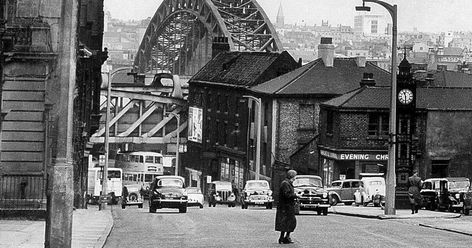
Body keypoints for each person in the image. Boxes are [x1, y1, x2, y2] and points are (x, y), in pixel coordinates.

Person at [275, 169, 298, 244]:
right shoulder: (285, 184)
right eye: (295, 176)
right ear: (292, 176)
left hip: (288, 206)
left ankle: (285, 237)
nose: (295, 178)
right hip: (285, 207)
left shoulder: (288, 183)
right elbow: (287, 195)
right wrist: (296, 195)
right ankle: (283, 238)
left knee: (290, 222)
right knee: (286, 222)